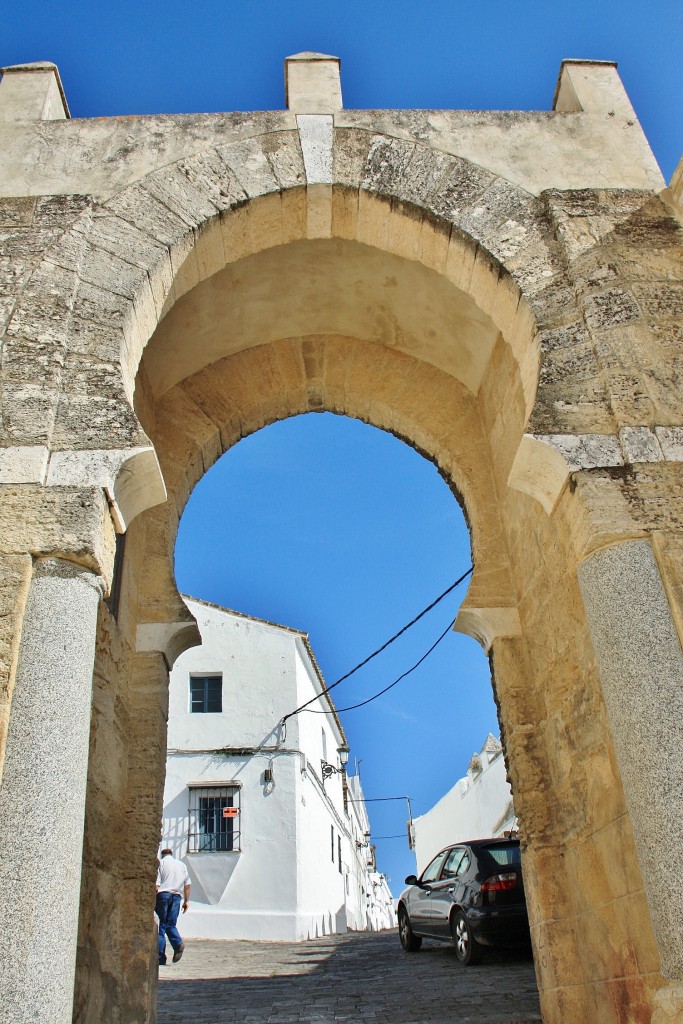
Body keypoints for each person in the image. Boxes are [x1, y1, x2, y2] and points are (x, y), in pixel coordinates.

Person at [155, 848, 191, 966]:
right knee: (170, 924)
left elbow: (157, 884)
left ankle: (161, 957)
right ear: (172, 854)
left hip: (163, 895)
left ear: (162, 855)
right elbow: (187, 885)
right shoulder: (181, 865)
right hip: (177, 896)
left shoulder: (161, 863)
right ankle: (177, 944)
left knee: (161, 927)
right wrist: (186, 901)